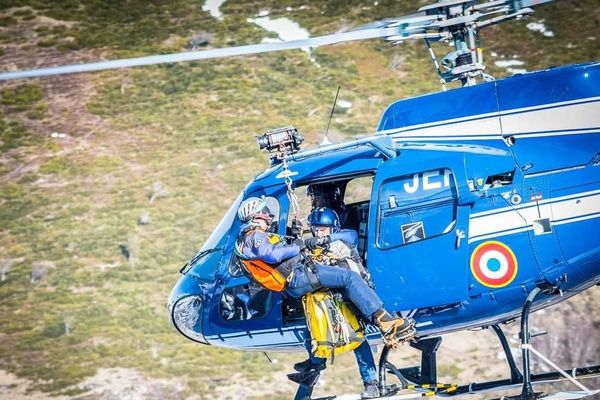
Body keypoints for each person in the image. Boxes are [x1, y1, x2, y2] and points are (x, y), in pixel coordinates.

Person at [235, 198, 415, 387]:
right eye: (265, 215)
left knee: (314, 323)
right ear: (254, 216)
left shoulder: (248, 239)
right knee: (349, 279)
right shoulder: (253, 236)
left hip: (296, 279)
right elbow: (273, 255)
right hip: (300, 275)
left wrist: (299, 240)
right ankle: (383, 319)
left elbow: (348, 236)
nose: (269, 219)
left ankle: (316, 365)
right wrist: (300, 245)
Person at [294, 207, 381, 398]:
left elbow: (351, 236)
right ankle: (312, 371)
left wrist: (324, 241)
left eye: (323, 230)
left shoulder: (342, 243)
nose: (318, 233)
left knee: (358, 340)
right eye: (316, 229)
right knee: (314, 334)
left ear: (332, 229)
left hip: (348, 299)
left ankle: (371, 382)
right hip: (325, 300)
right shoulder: (312, 248)